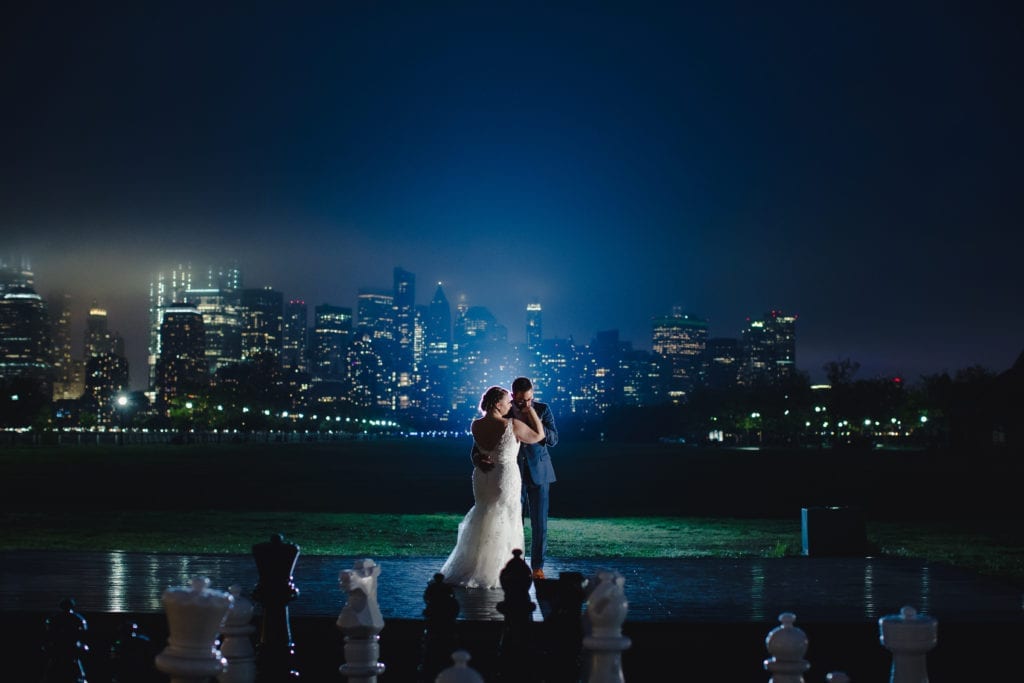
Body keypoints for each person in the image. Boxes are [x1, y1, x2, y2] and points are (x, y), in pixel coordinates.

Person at [439, 385, 545, 589]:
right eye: (507, 401)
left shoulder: (476, 425)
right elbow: (539, 435)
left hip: (482, 476)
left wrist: (478, 458)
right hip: (504, 476)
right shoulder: (512, 424)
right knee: (505, 517)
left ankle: (476, 566)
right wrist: (529, 409)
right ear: (498, 404)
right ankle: (499, 570)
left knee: (484, 514)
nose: (510, 404)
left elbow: (478, 450)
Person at [473, 376, 559, 580]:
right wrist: (477, 459)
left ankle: (537, 567)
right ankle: (514, 566)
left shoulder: (543, 409)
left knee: (540, 524)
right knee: (512, 522)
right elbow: (478, 446)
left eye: (530, 399)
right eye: (521, 400)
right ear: (513, 396)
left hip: (540, 472)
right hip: (511, 475)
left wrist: (531, 416)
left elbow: (553, 439)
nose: (526, 403)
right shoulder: (504, 411)